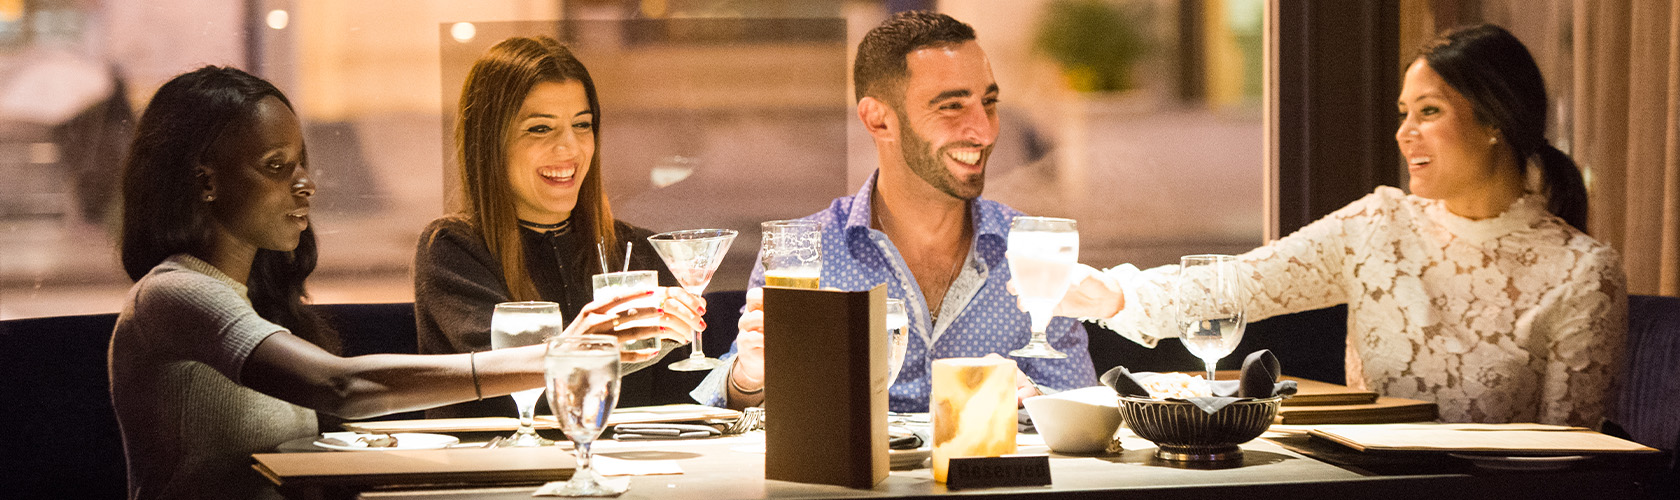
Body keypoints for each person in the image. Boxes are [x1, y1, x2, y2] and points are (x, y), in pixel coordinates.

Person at [109, 66, 662, 500]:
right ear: (206, 182)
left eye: (303, 163)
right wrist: (565, 355)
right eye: (278, 166)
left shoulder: (254, 301)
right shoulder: (173, 294)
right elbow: (341, 387)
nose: (305, 185)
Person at [1039, 24, 1625, 427]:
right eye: (1403, 114)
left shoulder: (1581, 273)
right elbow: (1243, 284)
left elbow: (1572, 455)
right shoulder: (1378, 224)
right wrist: (1115, 295)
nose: (1405, 133)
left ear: (1496, 120)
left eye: (1429, 111)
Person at [693, 11, 1099, 412]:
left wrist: (1039, 403)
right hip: (850, 478)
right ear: (878, 119)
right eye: (952, 106)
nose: (984, 129)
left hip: (991, 472)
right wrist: (748, 378)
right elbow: (741, 402)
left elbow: (1083, 412)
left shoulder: (1032, 252)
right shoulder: (805, 251)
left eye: (989, 102)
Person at [413, 36, 707, 419]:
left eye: (582, 125)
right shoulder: (452, 250)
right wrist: (584, 342)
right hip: (499, 470)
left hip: (634, 473)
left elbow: (689, 402)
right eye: (540, 129)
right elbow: (509, 388)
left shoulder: (636, 249)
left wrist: (741, 380)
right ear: (489, 142)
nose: (570, 148)